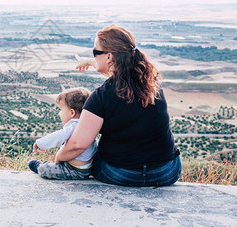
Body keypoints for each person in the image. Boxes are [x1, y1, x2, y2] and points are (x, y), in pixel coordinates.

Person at [55, 25, 181, 187]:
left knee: (85, 150)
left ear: (109, 57)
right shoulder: (152, 86)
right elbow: (120, 73)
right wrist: (91, 62)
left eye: (95, 52)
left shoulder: (100, 97)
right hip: (165, 172)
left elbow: (78, 145)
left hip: (119, 173)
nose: (94, 55)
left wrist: (58, 159)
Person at [28, 88, 97, 179]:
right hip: (87, 167)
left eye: (61, 110)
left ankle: (40, 166)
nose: (59, 113)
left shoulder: (74, 126)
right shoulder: (88, 124)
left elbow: (58, 136)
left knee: (45, 170)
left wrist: (40, 143)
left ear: (72, 112)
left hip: (74, 170)